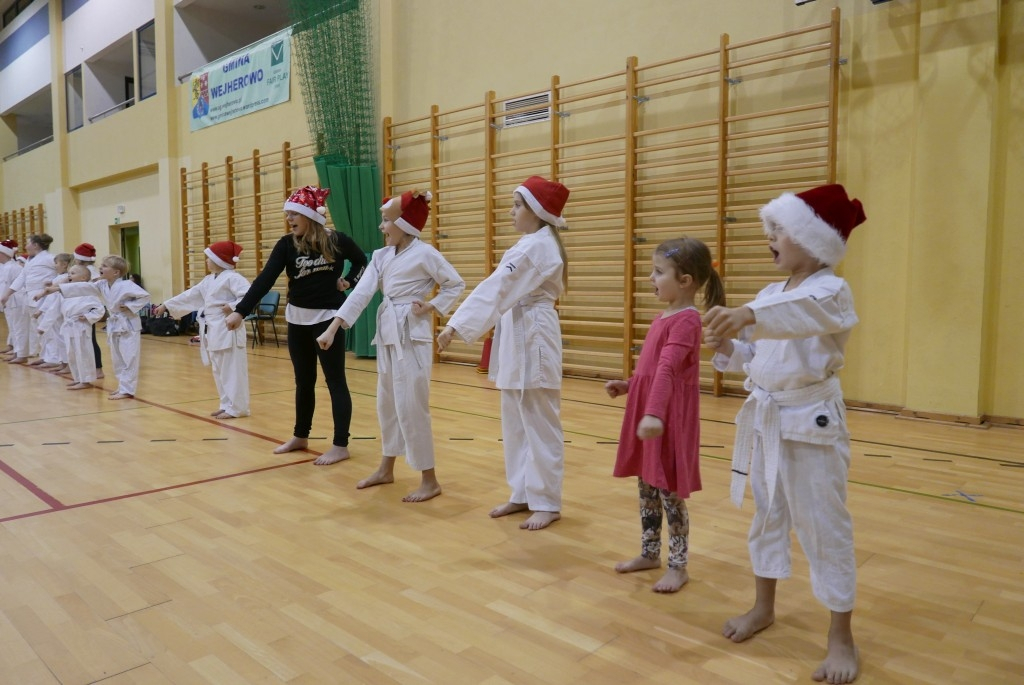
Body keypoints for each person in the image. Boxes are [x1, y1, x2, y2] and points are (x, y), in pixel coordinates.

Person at [702, 184, 864, 684]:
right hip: (769, 419)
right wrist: (726, 343)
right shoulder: (772, 294)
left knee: (824, 528)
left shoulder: (831, 291)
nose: (768, 238)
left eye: (780, 230)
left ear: (814, 242)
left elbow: (802, 317)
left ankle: (841, 638)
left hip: (811, 422)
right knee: (767, 517)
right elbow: (756, 354)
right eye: (768, 229)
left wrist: (747, 316)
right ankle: (763, 607)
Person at [437, 176, 570, 530]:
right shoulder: (529, 243)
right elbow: (498, 288)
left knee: (540, 422)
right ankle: (523, 493)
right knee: (515, 421)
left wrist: (455, 325)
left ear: (538, 212)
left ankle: (547, 500)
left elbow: (496, 287)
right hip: (517, 331)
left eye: (517, 205)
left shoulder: (538, 247)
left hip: (535, 335)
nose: (511, 212)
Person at [317, 190, 464, 502]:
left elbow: (455, 283)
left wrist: (433, 306)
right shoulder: (381, 256)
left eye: (386, 221)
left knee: (412, 405)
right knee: (386, 403)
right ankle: (386, 467)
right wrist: (333, 327)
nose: (381, 227)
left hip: (412, 332)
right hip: (387, 330)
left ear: (404, 224)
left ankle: (429, 478)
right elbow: (361, 294)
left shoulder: (426, 254)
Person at [605, 237, 725, 593]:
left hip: (667, 419)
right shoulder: (665, 315)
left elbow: (669, 371)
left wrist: (655, 413)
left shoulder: (687, 322)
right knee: (647, 486)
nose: (650, 278)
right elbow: (653, 369)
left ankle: (678, 564)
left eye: (658, 272)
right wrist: (630, 386)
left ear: (685, 280)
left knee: (669, 492)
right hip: (650, 410)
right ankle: (649, 552)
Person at [226, 185, 368, 465]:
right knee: (304, 382)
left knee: (335, 381)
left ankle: (341, 445)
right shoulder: (286, 244)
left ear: (309, 216)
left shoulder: (337, 240)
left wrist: (349, 281)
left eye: (294, 214)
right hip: (297, 319)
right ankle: (300, 436)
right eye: (288, 214)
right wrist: (240, 311)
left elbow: (362, 261)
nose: (289, 218)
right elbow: (265, 279)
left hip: (328, 319)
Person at [154, 241, 251, 418]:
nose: (206, 261)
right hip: (213, 329)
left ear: (219, 260)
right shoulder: (209, 280)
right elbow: (191, 296)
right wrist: (167, 305)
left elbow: (250, 295)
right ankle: (226, 404)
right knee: (219, 370)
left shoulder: (233, 277)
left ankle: (238, 408)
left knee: (232, 370)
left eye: (209, 258)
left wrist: (233, 306)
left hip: (229, 328)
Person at [97, 255, 151, 400]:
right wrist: (57, 288)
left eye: (105, 265)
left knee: (129, 357)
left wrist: (129, 306)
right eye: (101, 265)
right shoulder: (103, 284)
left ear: (116, 272)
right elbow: (83, 287)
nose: (101, 267)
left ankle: (128, 389)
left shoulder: (126, 284)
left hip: (128, 325)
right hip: (114, 324)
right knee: (117, 359)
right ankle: (122, 386)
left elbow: (145, 296)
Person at [0, 233, 56, 364]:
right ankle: (43, 356)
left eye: (28, 242)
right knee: (37, 329)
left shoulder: (49, 258)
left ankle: (52, 358)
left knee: (47, 329)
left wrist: (53, 284)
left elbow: (62, 271)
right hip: (30, 298)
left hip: (44, 297)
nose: (26, 246)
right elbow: (22, 278)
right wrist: (7, 294)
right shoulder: (31, 260)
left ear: (36, 245)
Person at [49, 265, 105, 389]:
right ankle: (78, 377)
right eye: (69, 273)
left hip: (81, 326)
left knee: (83, 353)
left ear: (83, 278)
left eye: (73, 273)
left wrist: (88, 316)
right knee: (72, 353)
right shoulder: (67, 293)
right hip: (69, 326)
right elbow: (57, 309)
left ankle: (86, 380)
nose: (69, 275)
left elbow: (100, 310)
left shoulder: (89, 293)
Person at [32, 253, 73, 370]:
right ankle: (63, 362)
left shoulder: (63, 279)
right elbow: (50, 298)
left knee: (62, 338)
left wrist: (41, 310)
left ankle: (67, 363)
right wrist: (41, 310)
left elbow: (53, 298)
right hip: (53, 311)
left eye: (56, 263)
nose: (55, 266)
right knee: (58, 339)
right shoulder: (57, 278)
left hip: (59, 311)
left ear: (64, 265)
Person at [72, 243, 104, 380]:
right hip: (85, 306)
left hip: (90, 307)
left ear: (79, 259)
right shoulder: (87, 270)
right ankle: (90, 368)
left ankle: (98, 369)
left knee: (90, 340)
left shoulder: (91, 272)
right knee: (87, 340)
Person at [0, 240, 24, 358]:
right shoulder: (5, 267)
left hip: (16, 302)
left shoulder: (14, 267)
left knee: (18, 327)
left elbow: (16, 286)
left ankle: (19, 352)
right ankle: (15, 349)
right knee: (12, 327)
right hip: (8, 302)